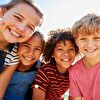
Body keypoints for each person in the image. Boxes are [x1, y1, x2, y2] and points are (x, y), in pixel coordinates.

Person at [0, 0, 43, 99]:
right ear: (3, 12)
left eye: (30, 27)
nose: (21, 28)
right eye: (18, 18)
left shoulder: (14, 53)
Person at [32, 29, 79, 100]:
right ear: (52, 53)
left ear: (76, 52)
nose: (66, 53)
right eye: (60, 49)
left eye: (71, 49)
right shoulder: (46, 71)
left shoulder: (74, 72)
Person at [3, 31, 45, 100]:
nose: (30, 53)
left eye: (37, 49)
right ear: (18, 45)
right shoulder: (7, 61)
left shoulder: (41, 69)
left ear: (41, 52)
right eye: (26, 45)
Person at [69, 14, 100, 100]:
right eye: (83, 39)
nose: (90, 45)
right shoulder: (74, 71)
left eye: (97, 38)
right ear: (76, 41)